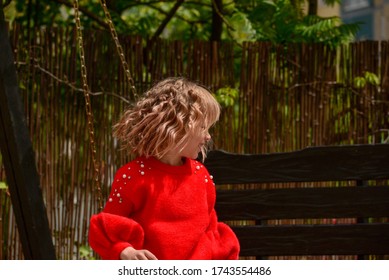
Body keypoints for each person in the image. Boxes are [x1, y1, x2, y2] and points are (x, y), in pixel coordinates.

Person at [88, 77, 240, 260]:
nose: (208, 137)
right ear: (178, 126)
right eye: (203, 127)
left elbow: (210, 229)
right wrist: (125, 251)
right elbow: (110, 224)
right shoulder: (135, 176)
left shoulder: (201, 176)